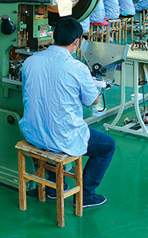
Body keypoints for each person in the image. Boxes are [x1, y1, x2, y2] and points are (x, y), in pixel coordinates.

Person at [20, 17, 115, 207]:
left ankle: (54, 188)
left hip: (32, 133)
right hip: (61, 137)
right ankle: (85, 195)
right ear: (77, 41)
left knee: (50, 123)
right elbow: (93, 101)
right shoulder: (77, 68)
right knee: (107, 146)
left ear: (53, 36)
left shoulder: (30, 62)